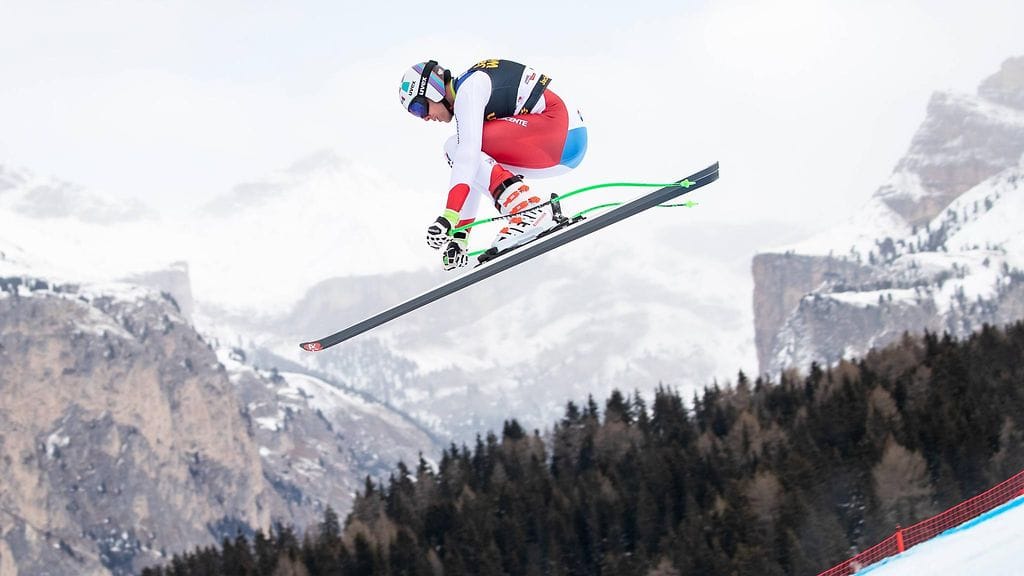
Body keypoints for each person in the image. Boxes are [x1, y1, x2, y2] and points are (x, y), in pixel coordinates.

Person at [398, 59, 588, 270]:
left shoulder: (469, 89)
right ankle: (527, 210)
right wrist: (461, 236)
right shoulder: (469, 93)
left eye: (418, 108)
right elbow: (473, 168)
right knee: (462, 150)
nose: (424, 118)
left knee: (456, 147)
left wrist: (449, 216)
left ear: (432, 90)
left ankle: (528, 211)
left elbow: (467, 156)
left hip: (560, 131)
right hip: (563, 142)